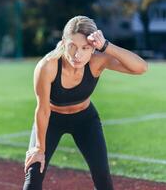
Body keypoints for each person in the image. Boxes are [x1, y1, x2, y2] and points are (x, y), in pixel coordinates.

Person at [22, 15, 148, 190]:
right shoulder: (47, 66)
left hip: (85, 120)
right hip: (51, 119)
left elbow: (141, 68)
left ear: (93, 48)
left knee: (103, 179)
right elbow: (42, 110)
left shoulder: (97, 60)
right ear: (63, 42)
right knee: (33, 175)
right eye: (72, 46)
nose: (77, 54)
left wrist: (106, 46)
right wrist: (38, 149)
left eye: (85, 48)